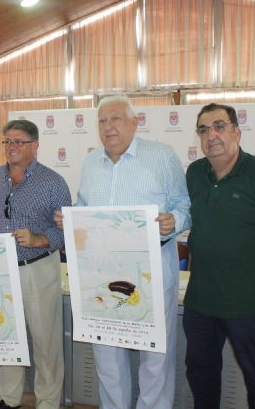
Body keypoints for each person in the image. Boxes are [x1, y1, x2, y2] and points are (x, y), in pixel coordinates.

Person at [56, 96, 191, 409]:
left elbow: (184, 205)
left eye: (116, 119)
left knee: (156, 357)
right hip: (102, 277)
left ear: (135, 122)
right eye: (102, 121)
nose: (108, 127)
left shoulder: (161, 156)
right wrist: (72, 217)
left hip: (153, 275)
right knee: (108, 357)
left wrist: (175, 221)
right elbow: (86, 209)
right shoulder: (90, 163)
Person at [183, 103, 255, 409]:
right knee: (200, 374)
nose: (211, 135)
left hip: (250, 304)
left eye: (219, 126)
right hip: (201, 303)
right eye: (203, 129)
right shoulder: (195, 174)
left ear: (237, 131)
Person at [0, 119, 72, 409]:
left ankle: (47, 401)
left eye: (19, 141)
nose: (12, 147)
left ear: (35, 145)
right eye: (7, 141)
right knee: (8, 336)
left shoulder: (54, 182)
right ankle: (9, 398)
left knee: (45, 340)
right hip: (1, 269)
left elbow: (67, 229)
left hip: (38, 268)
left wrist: (37, 239)